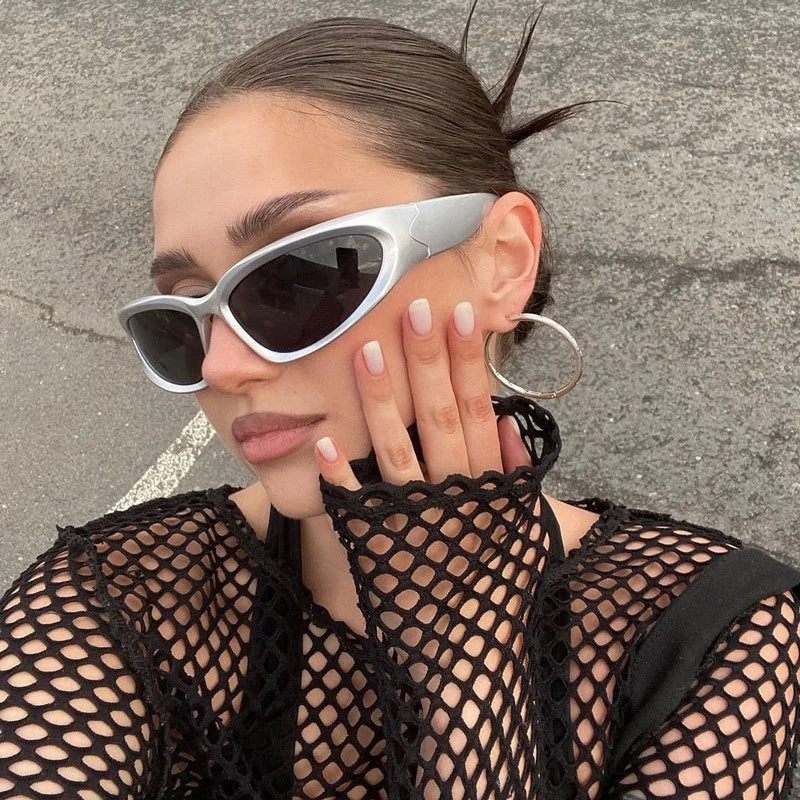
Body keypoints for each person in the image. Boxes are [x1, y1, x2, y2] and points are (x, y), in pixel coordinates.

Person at [1, 5, 799, 800]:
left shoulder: (716, 631)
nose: (225, 365)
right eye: (180, 317)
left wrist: (461, 657)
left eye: (298, 276)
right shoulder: (114, 603)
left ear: (502, 259)